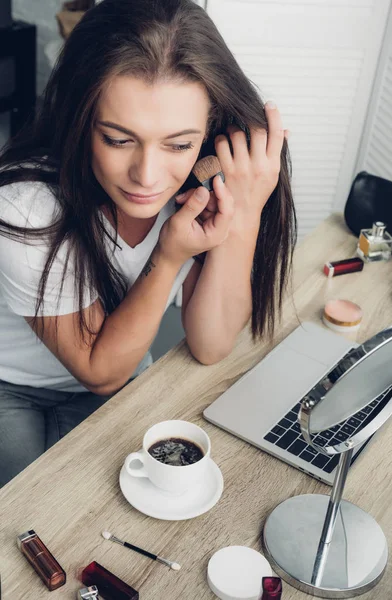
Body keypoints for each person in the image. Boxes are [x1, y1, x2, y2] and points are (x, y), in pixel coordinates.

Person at [0, 0, 296, 487]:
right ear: (81, 118)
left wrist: (245, 212)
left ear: (209, 129)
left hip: (124, 375)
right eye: (118, 139)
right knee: (25, 515)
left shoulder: (201, 182)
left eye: (178, 144)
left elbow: (211, 343)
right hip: (15, 385)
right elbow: (100, 371)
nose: (147, 177)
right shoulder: (26, 205)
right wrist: (168, 255)